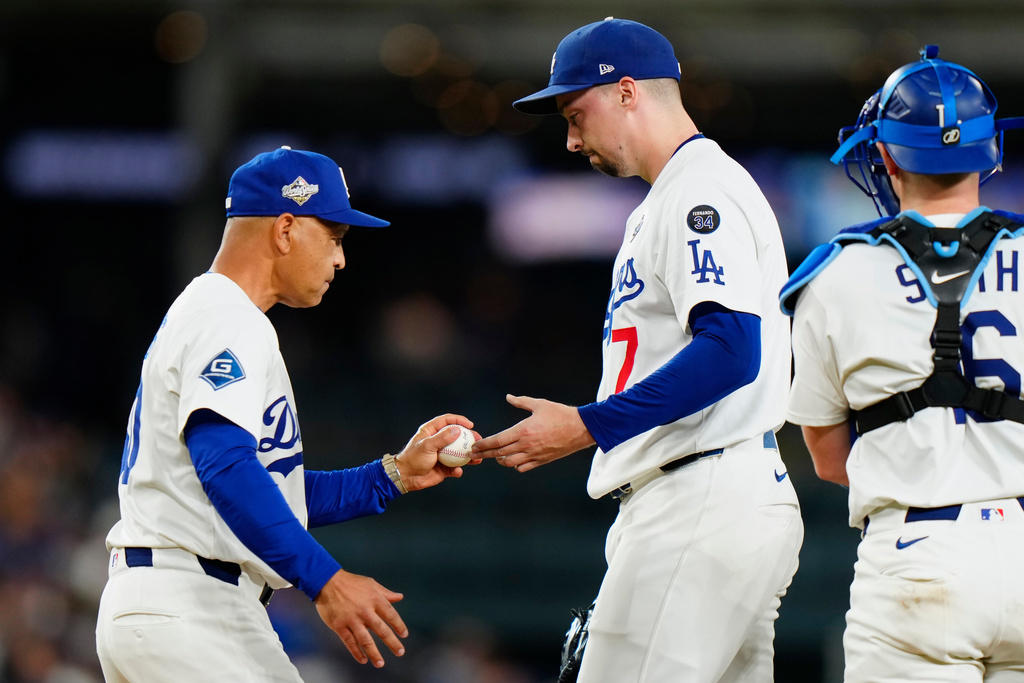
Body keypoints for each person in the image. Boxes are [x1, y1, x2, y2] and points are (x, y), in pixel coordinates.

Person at [473, 18, 803, 682]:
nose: (569, 138)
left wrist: (585, 425)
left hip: (699, 496)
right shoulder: (676, 195)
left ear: (627, 92)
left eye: (575, 113)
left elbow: (733, 349)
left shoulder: (696, 192)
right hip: (720, 494)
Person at [95, 146, 479, 682]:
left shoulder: (211, 313)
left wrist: (391, 476)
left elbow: (263, 488)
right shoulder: (228, 318)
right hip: (192, 606)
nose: (341, 259)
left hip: (177, 604)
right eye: (335, 237)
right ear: (284, 230)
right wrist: (326, 580)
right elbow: (225, 465)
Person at [781, 46, 1024, 682]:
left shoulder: (835, 273)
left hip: (921, 554)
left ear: (885, 154)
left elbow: (830, 460)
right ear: (990, 149)